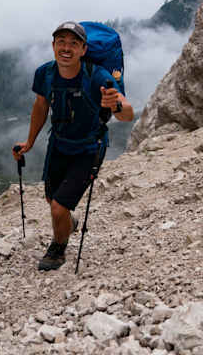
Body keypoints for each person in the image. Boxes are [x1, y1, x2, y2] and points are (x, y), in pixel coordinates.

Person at [13, 21, 134, 271]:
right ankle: (69, 221)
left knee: (58, 208)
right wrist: (29, 142)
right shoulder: (45, 73)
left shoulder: (97, 76)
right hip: (58, 145)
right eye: (61, 42)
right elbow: (41, 106)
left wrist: (116, 105)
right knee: (52, 201)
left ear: (83, 49)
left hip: (89, 148)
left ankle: (58, 248)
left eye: (73, 43)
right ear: (53, 45)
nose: (66, 48)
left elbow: (127, 114)